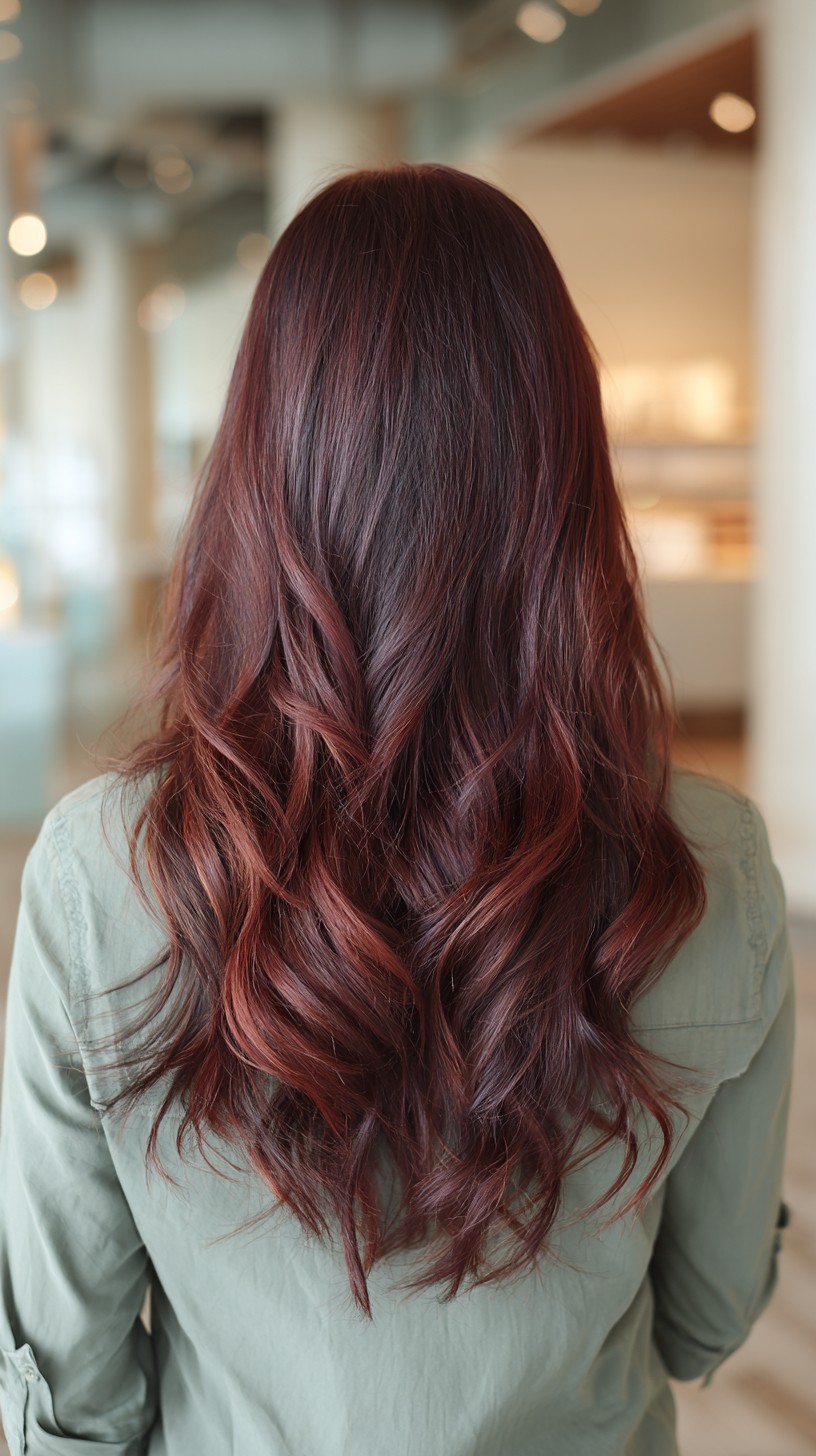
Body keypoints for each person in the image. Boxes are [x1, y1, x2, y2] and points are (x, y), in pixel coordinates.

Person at [0, 163, 794, 1456]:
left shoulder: (105, 873)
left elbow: (72, 1402)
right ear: (566, 475)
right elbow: (706, 1321)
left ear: (259, 463)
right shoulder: (708, 868)